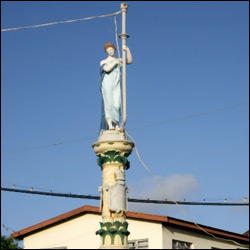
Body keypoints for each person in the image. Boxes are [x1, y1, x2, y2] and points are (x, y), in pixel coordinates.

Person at [100, 42, 132, 131]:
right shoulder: (104, 61)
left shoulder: (118, 60)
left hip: (116, 83)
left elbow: (129, 61)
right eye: (108, 50)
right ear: (106, 52)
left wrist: (127, 50)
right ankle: (110, 125)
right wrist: (115, 62)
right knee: (109, 103)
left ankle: (116, 123)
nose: (110, 51)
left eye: (111, 49)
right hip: (107, 83)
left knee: (117, 103)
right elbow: (107, 69)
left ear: (114, 49)